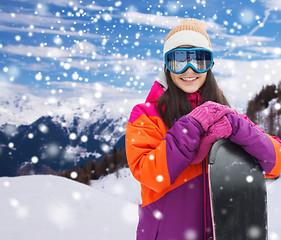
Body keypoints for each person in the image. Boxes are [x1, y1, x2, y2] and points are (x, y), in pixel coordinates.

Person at [125, 18, 281, 240]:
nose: (189, 70)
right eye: (179, 61)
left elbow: (276, 162)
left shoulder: (226, 116)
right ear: (167, 67)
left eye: (199, 60)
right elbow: (152, 175)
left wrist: (239, 128)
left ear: (210, 66)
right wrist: (191, 127)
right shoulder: (146, 115)